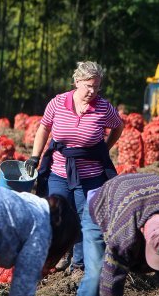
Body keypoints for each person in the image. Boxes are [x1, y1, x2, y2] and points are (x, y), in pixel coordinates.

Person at [28, 61, 123, 273]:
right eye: (88, 85)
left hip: (90, 175)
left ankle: (78, 264)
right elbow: (44, 128)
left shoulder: (103, 107)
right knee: (58, 216)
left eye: (96, 86)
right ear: (77, 81)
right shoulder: (58, 102)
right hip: (59, 171)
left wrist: (105, 148)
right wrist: (35, 156)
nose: (92, 91)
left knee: (84, 218)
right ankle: (60, 255)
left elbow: (118, 126)